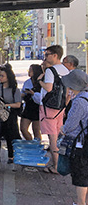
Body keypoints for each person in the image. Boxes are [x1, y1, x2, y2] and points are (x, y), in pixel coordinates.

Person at [59, 69, 88, 205]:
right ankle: (81, 204)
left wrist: (62, 129)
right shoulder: (87, 98)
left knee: (80, 173)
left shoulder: (79, 103)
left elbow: (71, 125)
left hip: (80, 143)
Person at [38, 45, 69, 174]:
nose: (45, 57)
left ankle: (56, 166)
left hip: (49, 108)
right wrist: (65, 106)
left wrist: (40, 80)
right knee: (57, 134)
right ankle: (55, 162)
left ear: (55, 55)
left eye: (47, 54)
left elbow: (49, 88)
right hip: (60, 107)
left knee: (52, 137)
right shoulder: (66, 70)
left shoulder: (51, 71)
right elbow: (68, 93)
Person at [0, 63, 22, 164]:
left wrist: (7, 106)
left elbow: (18, 104)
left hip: (10, 116)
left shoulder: (15, 90)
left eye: (2, 76)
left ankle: (11, 156)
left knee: (11, 136)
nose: (0, 78)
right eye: (0, 76)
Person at [20, 64, 43, 140]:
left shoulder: (41, 82)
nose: (29, 72)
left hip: (37, 108)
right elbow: (23, 91)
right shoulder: (27, 82)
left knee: (36, 130)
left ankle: (37, 146)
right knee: (23, 128)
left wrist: (33, 93)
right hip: (28, 107)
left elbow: (42, 98)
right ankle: (30, 142)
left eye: (31, 70)